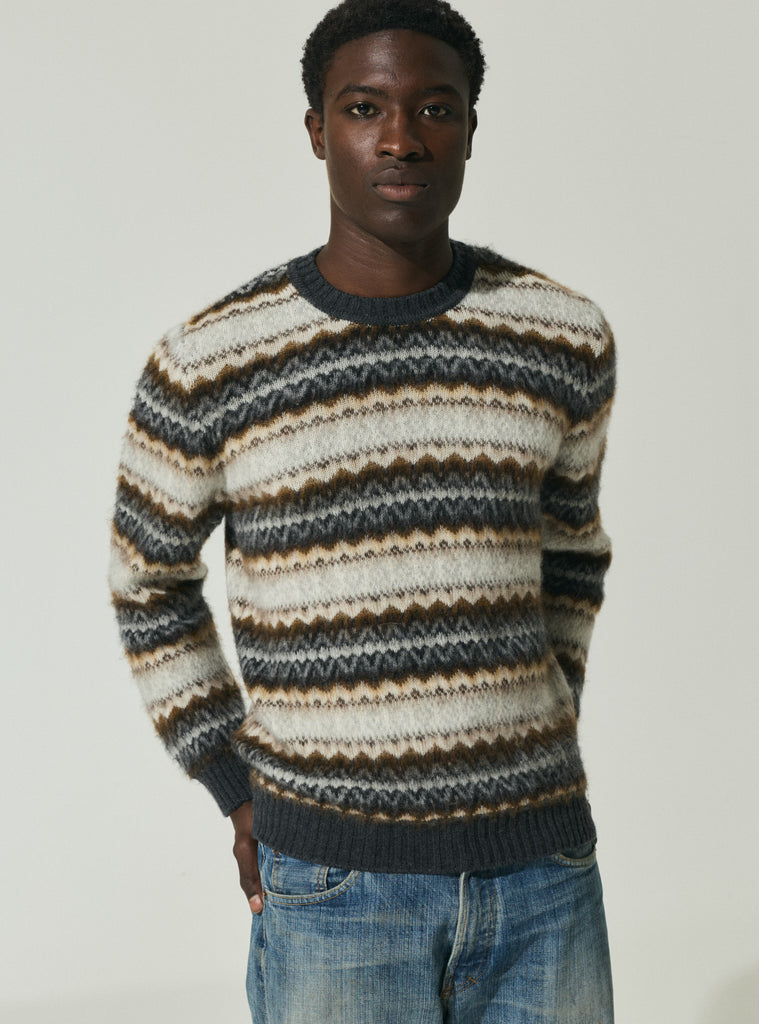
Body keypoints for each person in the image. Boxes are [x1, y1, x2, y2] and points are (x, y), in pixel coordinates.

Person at [108, 1, 617, 1020]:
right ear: (316, 130)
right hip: (333, 887)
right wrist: (233, 780)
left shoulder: (559, 337)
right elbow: (147, 584)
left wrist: (524, 728)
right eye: (363, 107)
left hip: (543, 874)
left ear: (469, 127)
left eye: (435, 107)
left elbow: (570, 558)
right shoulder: (212, 361)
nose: (400, 138)